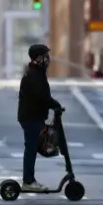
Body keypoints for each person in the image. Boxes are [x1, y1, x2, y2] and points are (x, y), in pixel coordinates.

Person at [17, 44, 62, 192]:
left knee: (32, 148)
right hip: (31, 117)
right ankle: (28, 181)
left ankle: (29, 180)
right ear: (38, 58)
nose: (48, 59)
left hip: (32, 116)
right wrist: (55, 105)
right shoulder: (34, 75)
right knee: (31, 148)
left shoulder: (36, 72)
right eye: (45, 56)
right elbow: (42, 97)